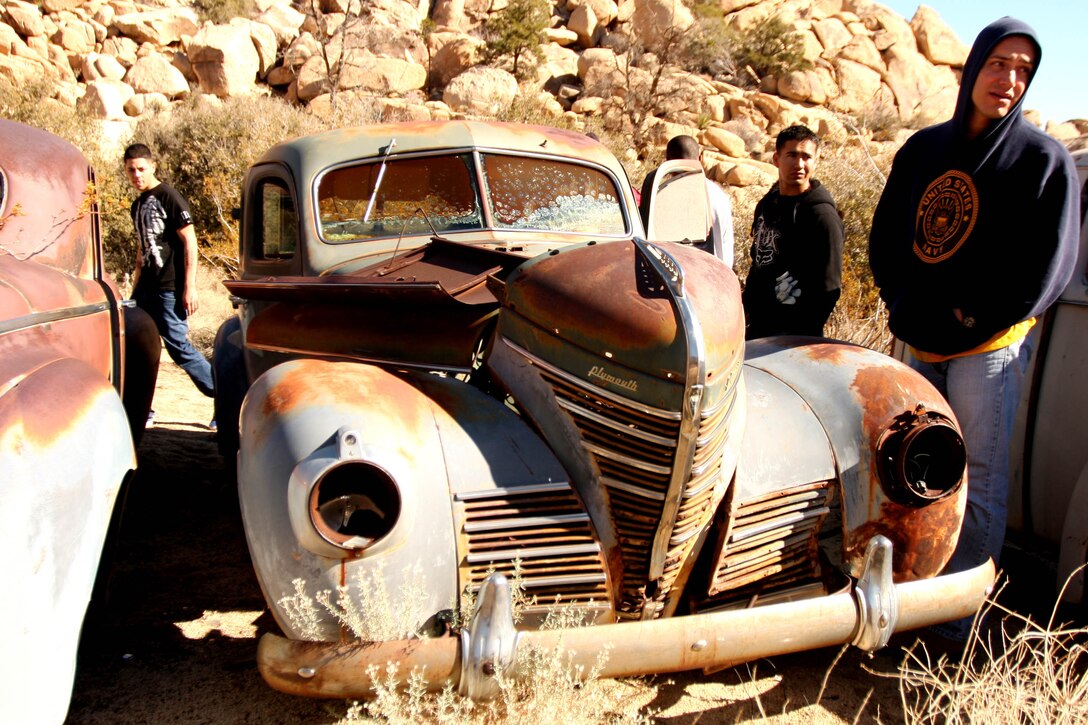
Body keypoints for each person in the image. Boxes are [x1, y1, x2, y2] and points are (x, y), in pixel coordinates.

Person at [868, 18, 1080, 643]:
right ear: (974, 68)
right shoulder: (925, 151)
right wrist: (901, 300)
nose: (1009, 80)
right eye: (998, 64)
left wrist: (982, 316)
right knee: (911, 473)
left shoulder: (1045, 161)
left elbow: (1052, 263)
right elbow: (886, 238)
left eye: (1022, 69)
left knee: (978, 480)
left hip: (986, 354)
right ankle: (907, 601)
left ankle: (954, 622)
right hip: (919, 343)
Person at [124, 143, 216, 419]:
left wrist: (190, 286)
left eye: (141, 169)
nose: (137, 175)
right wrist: (134, 288)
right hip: (145, 290)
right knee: (137, 347)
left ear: (153, 166)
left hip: (168, 288)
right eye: (131, 170)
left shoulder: (169, 197)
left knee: (179, 347)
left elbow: (190, 241)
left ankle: (225, 398)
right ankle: (142, 410)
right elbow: (143, 249)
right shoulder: (137, 204)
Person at [741, 124, 844, 339]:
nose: (799, 164)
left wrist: (800, 334)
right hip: (758, 328)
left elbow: (829, 286)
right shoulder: (767, 205)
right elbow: (758, 260)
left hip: (795, 337)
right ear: (776, 159)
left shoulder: (821, 216)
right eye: (791, 155)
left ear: (815, 161)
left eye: (806, 157)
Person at [639, 135, 735, 266]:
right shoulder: (720, 196)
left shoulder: (662, 196)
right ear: (700, 158)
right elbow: (726, 246)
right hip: (717, 276)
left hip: (676, 279)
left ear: (668, 161)